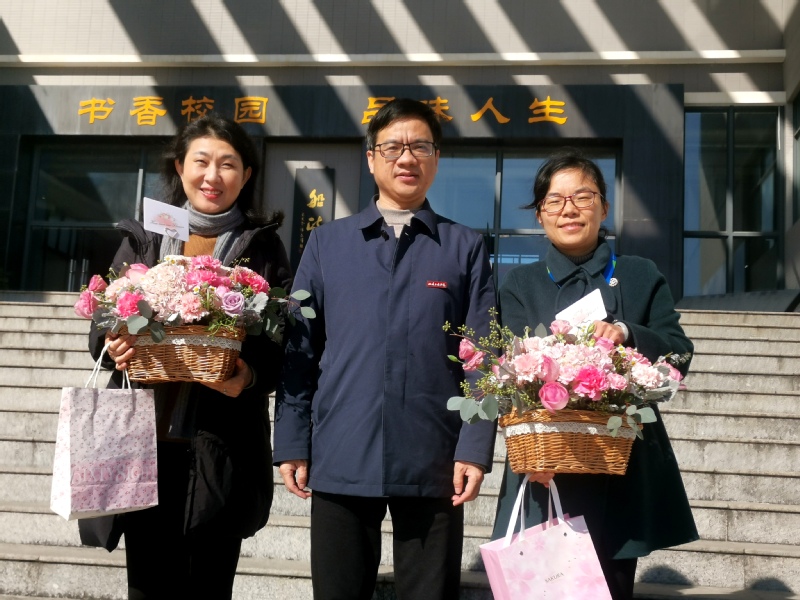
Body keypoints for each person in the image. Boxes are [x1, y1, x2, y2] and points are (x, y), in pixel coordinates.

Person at [273, 98, 497, 600]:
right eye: (393, 147)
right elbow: (299, 351)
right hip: (341, 447)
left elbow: (483, 357)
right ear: (371, 158)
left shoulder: (465, 247)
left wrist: (474, 447)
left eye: (420, 146)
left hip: (433, 454)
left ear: (437, 158)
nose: (407, 158)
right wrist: (290, 441)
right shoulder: (327, 244)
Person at [78, 113, 292, 599]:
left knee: (209, 587)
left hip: (222, 448)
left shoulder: (263, 247)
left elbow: (283, 345)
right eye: (201, 161)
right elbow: (102, 327)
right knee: (147, 587)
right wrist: (113, 343)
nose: (212, 176)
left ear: (246, 175)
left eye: (228, 164)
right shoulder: (145, 238)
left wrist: (248, 377)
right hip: (144, 447)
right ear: (180, 167)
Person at [491, 149, 698, 600]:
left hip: (621, 468)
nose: (568, 209)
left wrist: (628, 333)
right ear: (540, 215)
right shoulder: (519, 285)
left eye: (582, 197)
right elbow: (505, 375)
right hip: (545, 468)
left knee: (612, 585)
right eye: (554, 200)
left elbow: (679, 353)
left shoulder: (641, 275)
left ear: (604, 208)